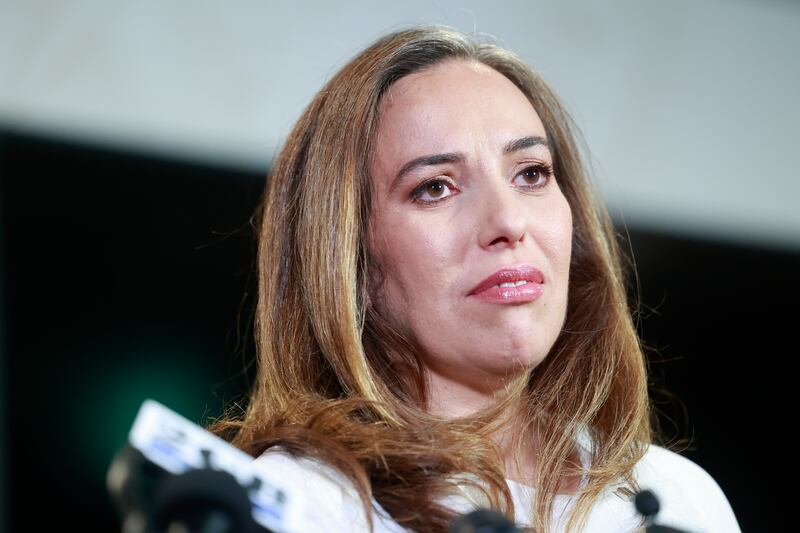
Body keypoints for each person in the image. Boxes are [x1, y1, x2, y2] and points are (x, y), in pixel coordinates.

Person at [211, 26, 741, 532]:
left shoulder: (680, 500)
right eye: (436, 187)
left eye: (531, 174)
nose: (508, 222)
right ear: (350, 263)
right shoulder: (301, 501)